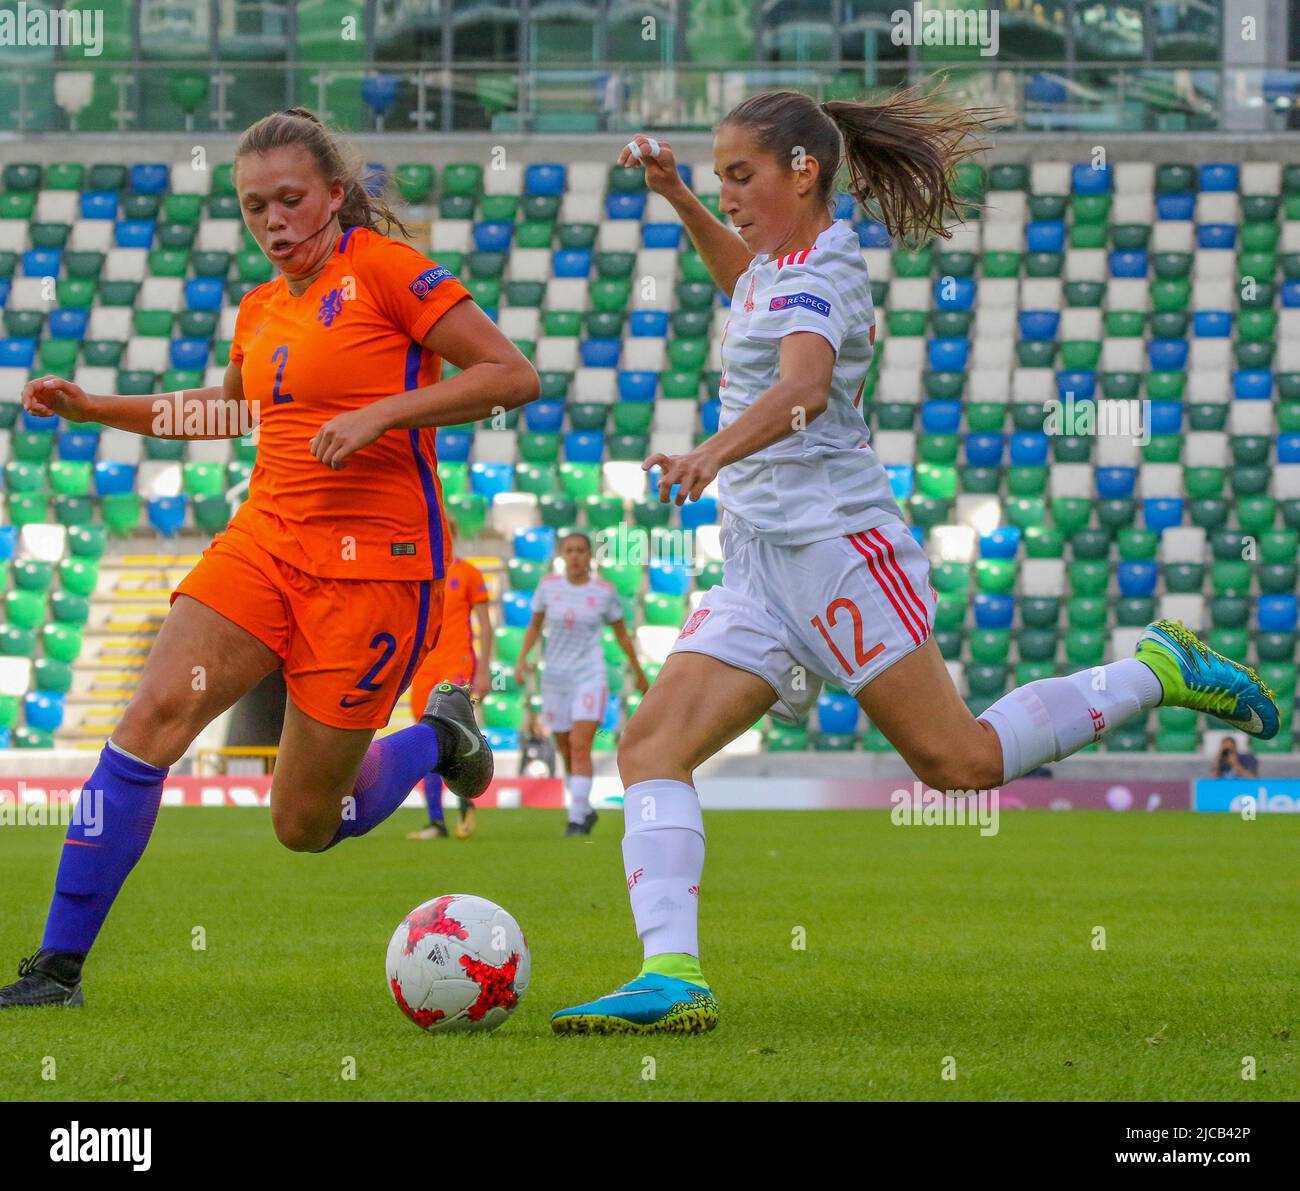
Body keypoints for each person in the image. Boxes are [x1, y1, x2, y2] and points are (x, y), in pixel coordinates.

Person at [550, 88, 1280, 1035]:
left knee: (957, 760)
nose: (728, 192)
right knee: (650, 745)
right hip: (759, 565)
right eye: (720, 176)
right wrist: (679, 197)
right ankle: (673, 974)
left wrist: (711, 453)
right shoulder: (778, 266)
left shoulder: (826, 269)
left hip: (839, 556)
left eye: (740, 175)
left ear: (801, 170)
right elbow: (745, 285)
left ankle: (1158, 670)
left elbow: (805, 387)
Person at [0, 106, 538, 1009]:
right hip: (265, 543)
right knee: (153, 713)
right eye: (254, 207)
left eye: (290, 200)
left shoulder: (388, 272)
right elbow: (227, 412)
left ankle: (441, 736)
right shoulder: (260, 307)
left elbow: (511, 375)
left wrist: (379, 415)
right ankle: (56, 967)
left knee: (306, 823)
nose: (273, 221)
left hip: (376, 571)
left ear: (335, 195)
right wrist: (101, 410)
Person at [514, 532, 649, 835]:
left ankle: (576, 819)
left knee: (579, 744)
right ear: (562, 555)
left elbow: (621, 633)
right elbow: (534, 625)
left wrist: (638, 672)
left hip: (589, 676)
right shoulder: (548, 587)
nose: (575, 556)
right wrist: (522, 658)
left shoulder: (604, 591)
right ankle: (584, 809)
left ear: (590, 556)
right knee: (563, 746)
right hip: (555, 678)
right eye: (570, 551)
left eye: (580, 551)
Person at [405, 517, 493, 840]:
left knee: (453, 734)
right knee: (426, 739)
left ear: (453, 535)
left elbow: (485, 625)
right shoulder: (419, 571)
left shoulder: (468, 573)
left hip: (458, 663)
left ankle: (465, 801)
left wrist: (484, 669)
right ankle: (436, 822)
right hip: (425, 666)